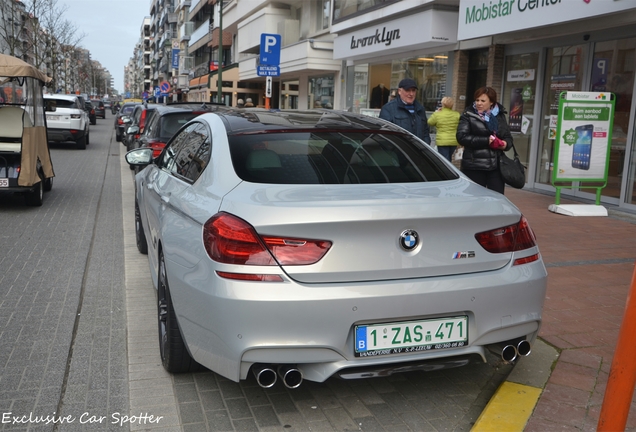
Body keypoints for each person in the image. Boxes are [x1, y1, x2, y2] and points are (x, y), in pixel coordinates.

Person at [456, 86, 513, 194]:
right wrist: (486, 140)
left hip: (496, 166)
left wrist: (505, 144)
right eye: (477, 100)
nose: (479, 103)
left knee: (497, 199)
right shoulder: (468, 115)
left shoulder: (500, 115)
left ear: (491, 102)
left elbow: (508, 137)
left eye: (483, 100)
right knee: (474, 200)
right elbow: (461, 137)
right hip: (474, 165)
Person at [379, 78, 431, 144]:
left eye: (413, 90)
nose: (411, 94)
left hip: (418, 152)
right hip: (398, 152)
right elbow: (384, 135)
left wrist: (425, 149)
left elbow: (425, 132)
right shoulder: (388, 109)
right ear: (399, 91)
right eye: (408, 90)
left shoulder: (420, 109)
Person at [427, 96, 460, 162]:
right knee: (449, 158)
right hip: (453, 141)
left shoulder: (438, 114)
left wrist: (436, 112)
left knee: (445, 160)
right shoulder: (457, 114)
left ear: (443, 104)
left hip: (442, 141)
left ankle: (447, 171)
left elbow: (430, 122)